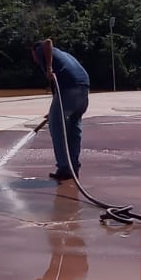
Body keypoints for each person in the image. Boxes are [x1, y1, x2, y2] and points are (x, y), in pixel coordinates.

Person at [31, 38, 90, 182]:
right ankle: (73, 168)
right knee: (74, 129)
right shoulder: (63, 56)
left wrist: (49, 68)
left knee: (57, 128)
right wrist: (52, 112)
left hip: (70, 88)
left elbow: (47, 42)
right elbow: (56, 91)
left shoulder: (41, 51)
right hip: (83, 87)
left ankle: (64, 168)